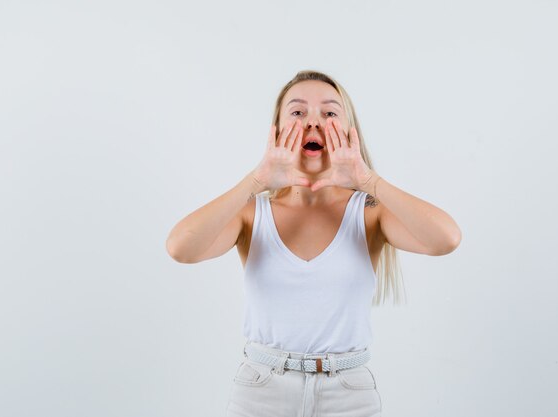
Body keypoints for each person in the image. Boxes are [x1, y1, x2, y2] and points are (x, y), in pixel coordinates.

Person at [166, 70, 462, 417]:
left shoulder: (369, 212)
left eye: (329, 113)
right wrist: (256, 180)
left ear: (350, 131)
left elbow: (446, 238)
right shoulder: (251, 213)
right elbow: (180, 247)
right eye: (297, 112)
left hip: (348, 393)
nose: (313, 122)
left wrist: (368, 180)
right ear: (276, 130)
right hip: (262, 391)